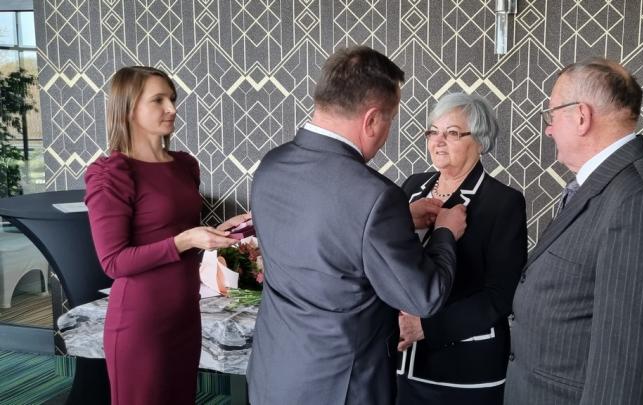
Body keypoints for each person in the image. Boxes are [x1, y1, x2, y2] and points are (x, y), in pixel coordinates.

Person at [247, 46, 467, 405]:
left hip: (274, 374)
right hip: (341, 388)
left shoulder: (271, 166)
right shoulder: (375, 196)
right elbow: (423, 296)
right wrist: (445, 232)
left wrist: (399, 219)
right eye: (390, 120)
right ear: (372, 120)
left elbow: (321, 231)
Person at [504, 58, 643, 404]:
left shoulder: (639, 201)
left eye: (551, 115)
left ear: (581, 116)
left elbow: (629, 370)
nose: (548, 129)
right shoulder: (612, 183)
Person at [84, 66, 250, 405]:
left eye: (172, 99)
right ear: (128, 108)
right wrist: (186, 240)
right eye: (158, 100)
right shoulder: (112, 174)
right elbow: (113, 262)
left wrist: (217, 233)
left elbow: (174, 234)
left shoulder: (184, 165)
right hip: (141, 321)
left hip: (185, 315)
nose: (172, 108)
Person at [395, 93, 527, 405]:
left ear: (480, 141)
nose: (438, 142)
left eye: (452, 133)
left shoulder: (503, 202)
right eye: (433, 132)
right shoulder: (412, 187)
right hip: (400, 362)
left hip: (463, 371)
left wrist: (426, 327)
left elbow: (501, 296)